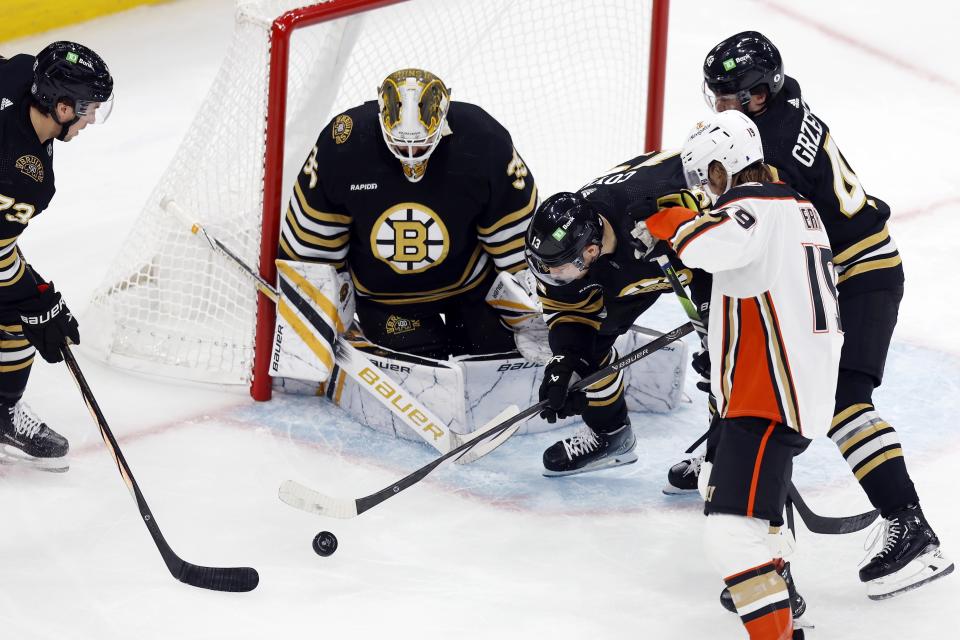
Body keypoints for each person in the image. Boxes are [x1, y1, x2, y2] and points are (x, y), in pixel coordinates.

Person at [684, 30, 951, 600]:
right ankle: (770, 553)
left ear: (763, 92)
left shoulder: (772, 149)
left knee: (835, 403)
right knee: (793, 402)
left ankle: (908, 526)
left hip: (860, 275)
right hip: (840, 270)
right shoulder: (780, 111)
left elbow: (754, 240)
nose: (725, 111)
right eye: (719, 99)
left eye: (735, 98)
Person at [640, 109, 843, 639]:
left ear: (721, 169)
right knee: (760, 523)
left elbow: (707, 243)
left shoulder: (753, 207)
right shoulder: (800, 209)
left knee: (731, 533)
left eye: (705, 178)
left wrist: (662, 222)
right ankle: (783, 608)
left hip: (769, 394)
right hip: (788, 389)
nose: (705, 193)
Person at [277, 68, 536, 360]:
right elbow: (310, 245)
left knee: (496, 357)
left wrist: (533, 310)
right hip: (387, 301)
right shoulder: (342, 145)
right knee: (425, 372)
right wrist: (322, 310)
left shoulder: (484, 139)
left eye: (422, 143)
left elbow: (516, 238)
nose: (412, 154)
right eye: (401, 143)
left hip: (471, 287)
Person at [523, 151, 711, 476]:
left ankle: (726, 453)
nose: (556, 279)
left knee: (728, 356)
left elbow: (731, 240)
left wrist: (718, 324)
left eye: (561, 270)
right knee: (587, 349)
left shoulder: (655, 203)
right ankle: (610, 436)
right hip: (634, 270)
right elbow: (568, 314)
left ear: (591, 250)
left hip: (704, 252)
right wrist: (566, 360)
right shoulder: (566, 256)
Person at [0, 42, 113, 471]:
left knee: (19, 306)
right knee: (22, 305)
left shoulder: (26, 73)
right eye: (87, 109)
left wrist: (33, 295)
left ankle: (1, 413)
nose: (91, 119)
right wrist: (37, 296)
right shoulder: (23, 175)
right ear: (62, 108)